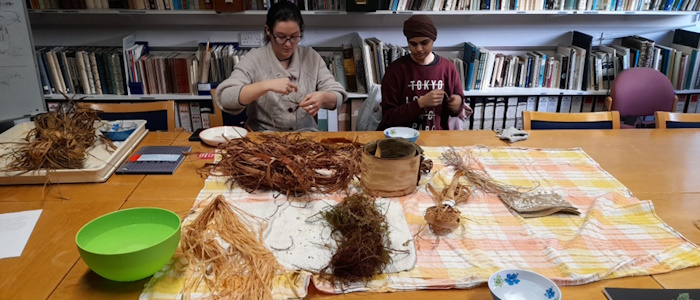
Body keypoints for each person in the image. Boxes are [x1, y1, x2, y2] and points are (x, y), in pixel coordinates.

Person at [215, 1, 347, 132]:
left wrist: (323, 98)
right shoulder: (254, 59)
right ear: (268, 31)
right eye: (281, 37)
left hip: (305, 137)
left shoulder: (311, 57)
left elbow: (338, 95)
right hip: (263, 139)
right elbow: (226, 98)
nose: (288, 44)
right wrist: (265, 86)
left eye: (295, 37)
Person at [377, 15, 472, 131]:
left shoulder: (448, 68)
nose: (419, 49)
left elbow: (457, 107)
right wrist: (420, 103)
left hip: (437, 138)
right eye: (413, 44)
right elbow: (388, 117)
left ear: (433, 39)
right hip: (401, 139)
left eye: (424, 43)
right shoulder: (396, 70)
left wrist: (457, 104)